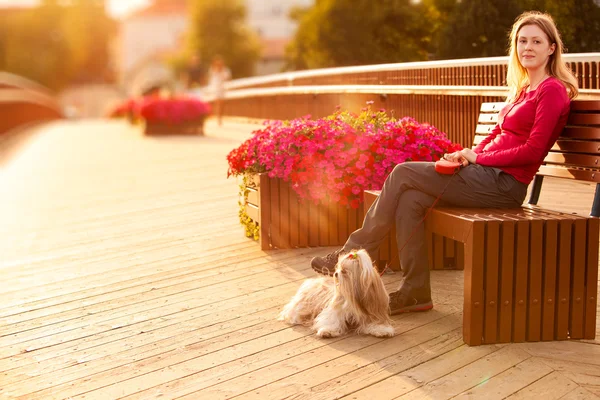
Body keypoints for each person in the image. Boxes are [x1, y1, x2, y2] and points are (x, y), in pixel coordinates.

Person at [310, 11, 578, 315]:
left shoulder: (551, 90)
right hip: (484, 175)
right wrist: (466, 154)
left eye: (536, 41)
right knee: (410, 199)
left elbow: (533, 150)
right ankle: (416, 292)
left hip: (505, 185)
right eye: (522, 41)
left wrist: (478, 158)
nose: (527, 47)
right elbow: (496, 135)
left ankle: (351, 253)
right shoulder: (522, 90)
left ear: (551, 48)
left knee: (402, 172)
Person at [207, 55, 231, 125]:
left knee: (221, 104)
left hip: (222, 89)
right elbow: (210, 78)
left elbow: (228, 78)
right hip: (215, 89)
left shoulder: (225, 70)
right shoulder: (212, 70)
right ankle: (218, 118)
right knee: (217, 103)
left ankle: (219, 117)